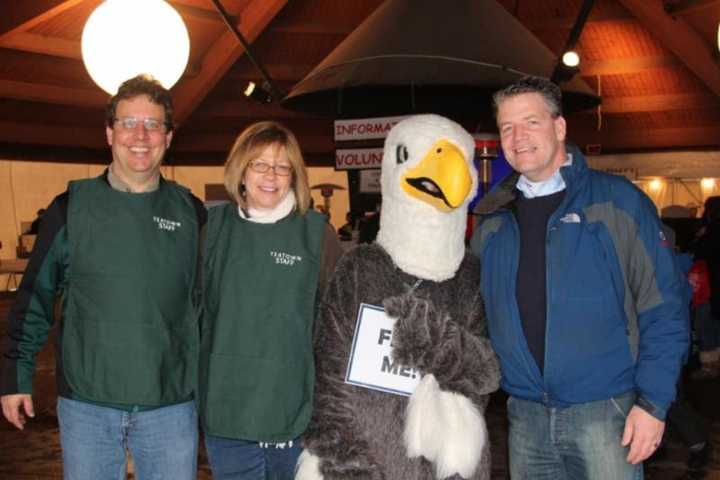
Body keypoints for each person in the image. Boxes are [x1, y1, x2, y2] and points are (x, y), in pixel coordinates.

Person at [471, 76, 688, 479]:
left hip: (606, 414)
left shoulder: (616, 203)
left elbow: (664, 308)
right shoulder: (493, 222)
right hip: (525, 419)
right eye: (507, 127)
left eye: (531, 122)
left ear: (559, 127)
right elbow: (471, 317)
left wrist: (653, 404)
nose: (518, 137)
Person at [0, 74, 206, 480]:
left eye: (153, 124)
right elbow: (34, 299)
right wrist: (15, 377)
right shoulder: (69, 208)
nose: (141, 135)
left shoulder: (192, 213)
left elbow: (213, 305)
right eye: (129, 123)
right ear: (109, 132)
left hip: (170, 406)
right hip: (88, 405)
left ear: (168, 136)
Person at [199, 121, 342, 480]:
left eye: (282, 166)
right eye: (259, 164)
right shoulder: (211, 230)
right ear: (241, 171)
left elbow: (340, 324)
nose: (271, 175)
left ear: (294, 175)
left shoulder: (316, 235)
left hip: (293, 413)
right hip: (227, 411)